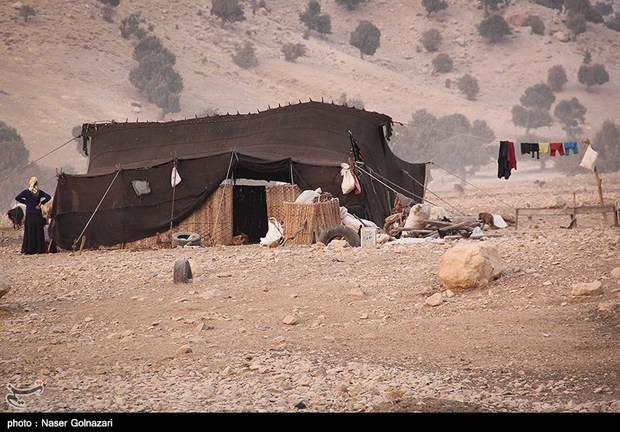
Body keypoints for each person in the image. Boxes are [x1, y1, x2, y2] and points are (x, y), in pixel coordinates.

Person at [15, 177, 52, 255]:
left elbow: (17, 197)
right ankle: (39, 249)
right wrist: (41, 203)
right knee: (38, 231)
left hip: (29, 214)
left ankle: (28, 250)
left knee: (29, 231)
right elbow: (48, 197)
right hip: (37, 214)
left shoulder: (26, 192)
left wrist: (25, 202)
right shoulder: (39, 192)